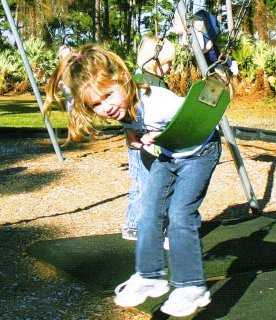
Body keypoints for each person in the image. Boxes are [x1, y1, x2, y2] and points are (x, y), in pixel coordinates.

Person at [44, 44, 221, 317]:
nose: (105, 107)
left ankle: (191, 286)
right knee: (148, 211)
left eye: (107, 95)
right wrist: (134, 136)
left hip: (199, 152)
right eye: (96, 104)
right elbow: (132, 125)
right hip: (169, 155)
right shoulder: (124, 105)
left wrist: (162, 136)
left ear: (123, 80)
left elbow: (200, 123)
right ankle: (150, 276)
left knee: (180, 213)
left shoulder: (159, 101)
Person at [123, 36, 175, 242]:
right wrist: (129, 131)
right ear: (154, 62)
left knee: (155, 183)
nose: (171, 67)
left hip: (154, 141)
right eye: (168, 62)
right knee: (141, 184)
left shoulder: (159, 84)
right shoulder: (139, 82)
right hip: (139, 141)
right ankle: (133, 225)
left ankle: (151, 224)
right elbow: (128, 109)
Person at [173, 10, 238, 76]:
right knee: (204, 58)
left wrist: (206, 48)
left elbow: (201, 46)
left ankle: (227, 65)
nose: (174, 30)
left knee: (211, 51)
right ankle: (214, 69)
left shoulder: (194, 28)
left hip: (210, 26)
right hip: (203, 37)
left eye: (175, 26)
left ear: (182, 24)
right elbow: (183, 46)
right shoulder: (181, 35)